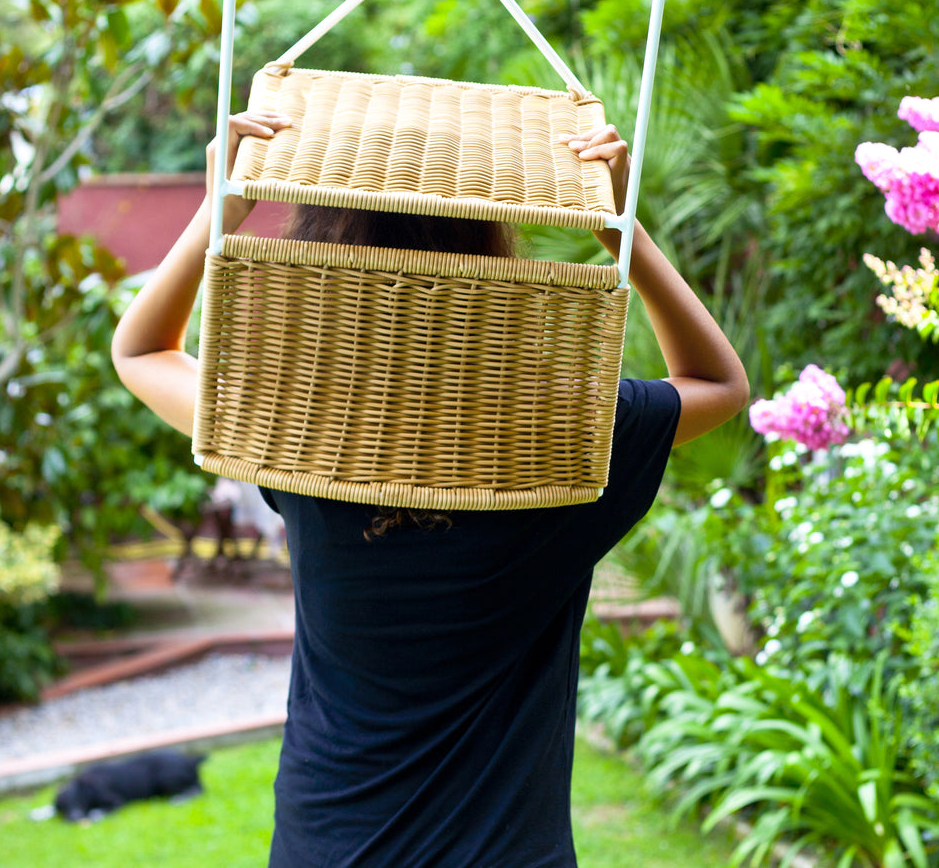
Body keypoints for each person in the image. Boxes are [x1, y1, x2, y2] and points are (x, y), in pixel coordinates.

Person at [112, 109, 749, 868]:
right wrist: (621, 230)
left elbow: (142, 350)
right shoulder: (567, 432)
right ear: (494, 255)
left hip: (329, 847)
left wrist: (224, 201)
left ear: (327, 255)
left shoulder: (299, 423)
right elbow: (719, 383)